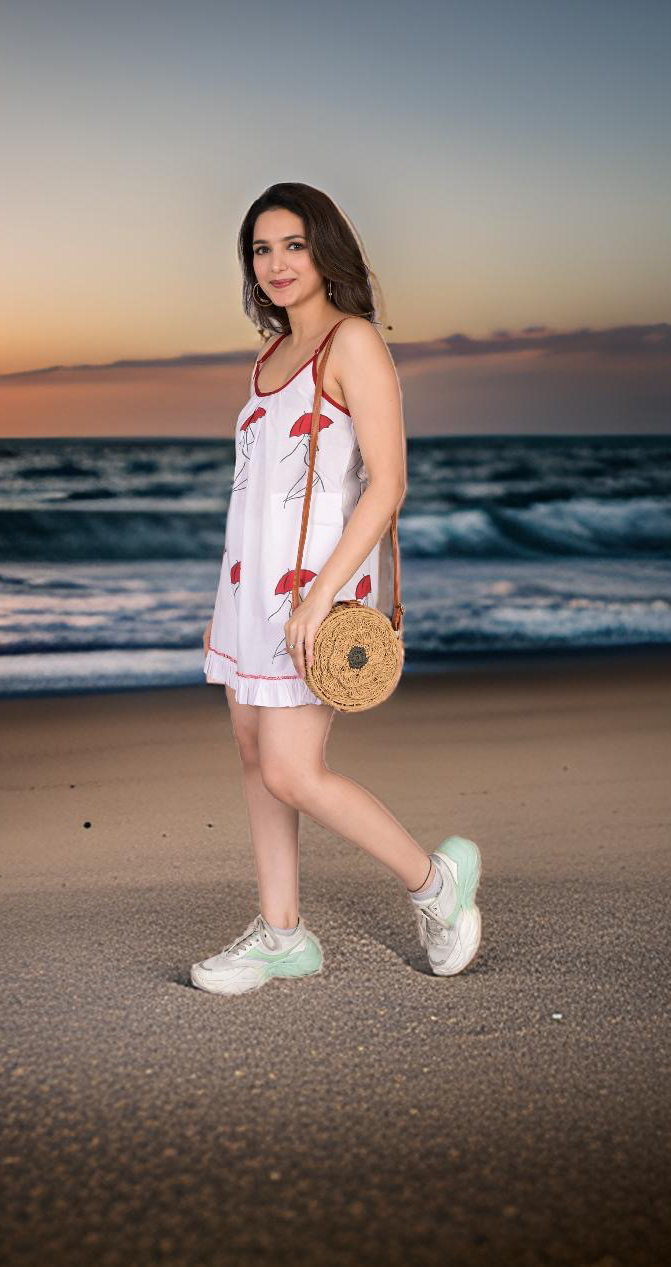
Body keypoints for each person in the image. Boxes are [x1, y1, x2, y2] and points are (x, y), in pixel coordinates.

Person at [195, 181, 482, 995]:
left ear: (325, 249)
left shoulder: (351, 341)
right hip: (250, 591)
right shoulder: (265, 358)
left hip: (317, 590)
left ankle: (434, 883)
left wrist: (319, 598)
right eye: (261, 248)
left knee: (293, 769)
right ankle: (282, 933)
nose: (277, 263)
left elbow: (386, 484)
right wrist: (235, 597)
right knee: (256, 759)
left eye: (293, 244)